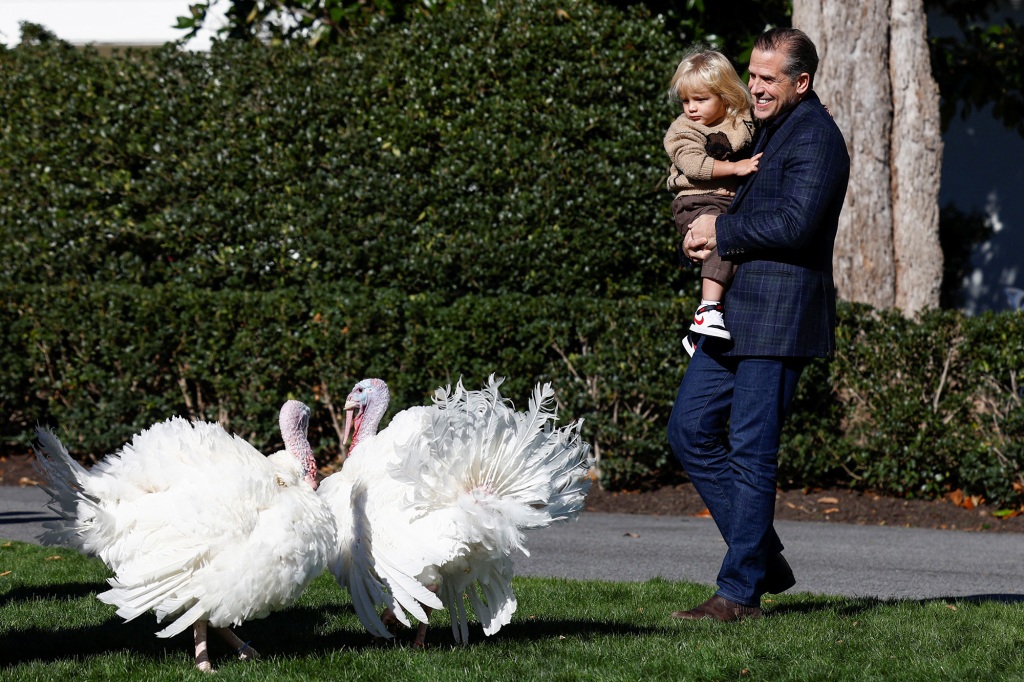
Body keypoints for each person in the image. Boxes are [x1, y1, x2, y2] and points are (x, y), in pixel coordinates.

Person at [666, 27, 850, 622]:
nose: (755, 86)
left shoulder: (818, 139)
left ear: (802, 81)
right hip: (735, 314)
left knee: (751, 451)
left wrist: (719, 232)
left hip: (780, 317)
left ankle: (738, 592)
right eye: (753, 74)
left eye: (769, 78)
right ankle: (763, 557)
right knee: (689, 431)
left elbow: (796, 224)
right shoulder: (767, 127)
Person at [663, 49, 762, 356]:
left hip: (725, 200)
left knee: (730, 244)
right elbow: (693, 165)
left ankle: (699, 334)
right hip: (695, 199)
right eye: (686, 100)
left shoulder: (741, 119)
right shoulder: (682, 130)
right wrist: (736, 167)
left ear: (725, 95)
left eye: (700, 99)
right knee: (722, 236)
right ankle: (707, 310)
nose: (691, 108)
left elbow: (772, 119)